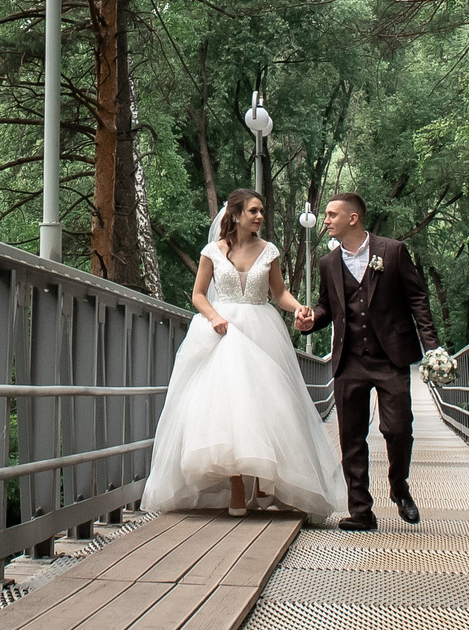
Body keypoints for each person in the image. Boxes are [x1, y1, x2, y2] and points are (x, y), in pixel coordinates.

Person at [142, 189, 350, 523]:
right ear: (236, 214)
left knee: (267, 403)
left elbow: (278, 292)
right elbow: (198, 294)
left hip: (260, 326)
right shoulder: (213, 251)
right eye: (253, 211)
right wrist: (214, 317)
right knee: (227, 406)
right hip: (221, 330)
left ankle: (265, 479)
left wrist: (300, 308)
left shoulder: (268, 251)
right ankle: (238, 485)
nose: (259, 216)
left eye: (261, 211)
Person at [296, 191, 439, 529]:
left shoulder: (392, 251)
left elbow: (418, 299)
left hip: (391, 357)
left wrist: (431, 346)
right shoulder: (328, 263)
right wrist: (310, 321)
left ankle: (399, 488)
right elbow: (327, 308)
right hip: (349, 360)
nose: (326, 221)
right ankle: (361, 511)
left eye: (331, 215)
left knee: (398, 427)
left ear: (352, 218)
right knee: (351, 437)